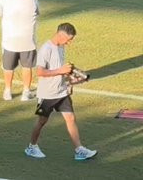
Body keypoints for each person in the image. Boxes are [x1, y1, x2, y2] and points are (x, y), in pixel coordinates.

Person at [26, 23, 97, 162]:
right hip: (47, 94)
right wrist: (61, 71)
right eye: (68, 39)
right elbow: (40, 72)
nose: (69, 43)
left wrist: (71, 80)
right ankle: (31, 147)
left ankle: (79, 150)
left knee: (70, 118)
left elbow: (60, 70)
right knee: (42, 121)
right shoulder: (46, 49)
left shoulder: (61, 47)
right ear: (60, 35)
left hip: (61, 92)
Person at [0, 0, 40, 101]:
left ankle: (7, 91)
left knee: (8, 67)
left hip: (9, 40)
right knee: (27, 66)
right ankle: (26, 92)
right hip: (27, 40)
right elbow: (37, 12)